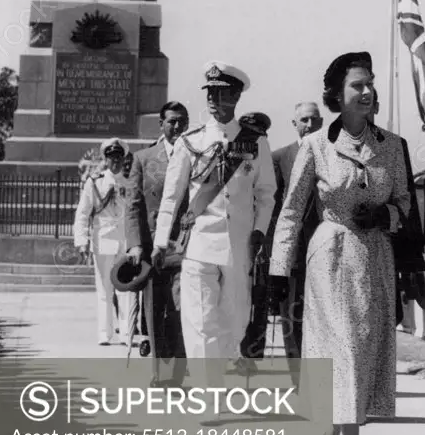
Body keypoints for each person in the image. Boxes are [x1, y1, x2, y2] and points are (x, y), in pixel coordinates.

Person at [270, 51, 418, 435]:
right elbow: (293, 210)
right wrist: (279, 269)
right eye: (358, 85)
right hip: (329, 258)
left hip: (374, 259)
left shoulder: (392, 145)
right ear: (337, 95)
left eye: (371, 83)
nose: (369, 91)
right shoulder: (315, 145)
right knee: (343, 353)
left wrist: (386, 213)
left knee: (360, 352)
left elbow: (408, 207)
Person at [153, 62, 276, 369]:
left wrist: (259, 231)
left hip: (239, 244)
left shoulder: (255, 142)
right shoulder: (190, 141)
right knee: (201, 319)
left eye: (220, 92)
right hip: (198, 244)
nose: (212, 98)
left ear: (235, 96)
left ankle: (224, 368)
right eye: (209, 91)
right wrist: (159, 242)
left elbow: (266, 194)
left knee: (234, 319)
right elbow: (171, 197)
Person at [249, 101, 324, 360]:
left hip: (326, 252)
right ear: (294, 124)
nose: (310, 125)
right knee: (292, 317)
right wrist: (274, 255)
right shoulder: (280, 158)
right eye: (304, 120)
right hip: (292, 254)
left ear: (323, 122)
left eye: (314, 119)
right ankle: (298, 378)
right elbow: (272, 210)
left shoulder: (336, 155)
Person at [126, 101, 190, 385]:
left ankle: (176, 373)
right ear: (161, 124)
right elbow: (133, 206)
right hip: (153, 249)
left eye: (181, 121)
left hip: (186, 247)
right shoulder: (143, 158)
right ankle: (157, 371)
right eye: (171, 121)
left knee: (180, 310)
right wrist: (135, 244)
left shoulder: (197, 156)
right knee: (154, 310)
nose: (176, 127)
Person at [74, 138, 133, 346]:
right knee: (104, 289)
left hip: (125, 241)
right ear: (105, 159)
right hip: (103, 240)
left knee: (126, 289)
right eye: (111, 158)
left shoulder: (130, 181)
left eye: (118, 158)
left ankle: (127, 333)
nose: (115, 162)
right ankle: (104, 333)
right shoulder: (95, 182)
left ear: (123, 159)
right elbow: (83, 212)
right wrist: (82, 240)